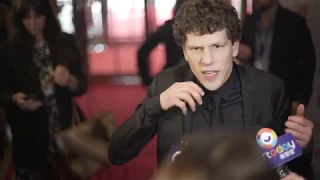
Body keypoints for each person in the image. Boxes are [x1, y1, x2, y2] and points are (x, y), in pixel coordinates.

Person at [108, 0, 314, 179]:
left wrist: (301, 145)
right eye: (196, 49)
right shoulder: (165, 84)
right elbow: (117, 154)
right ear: (185, 52)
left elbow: (282, 166)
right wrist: (156, 105)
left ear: (234, 47)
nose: (206, 60)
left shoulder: (269, 89)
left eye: (217, 47)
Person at [0, 0, 87, 179]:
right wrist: (15, 99)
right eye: (27, 18)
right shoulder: (9, 49)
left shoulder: (65, 42)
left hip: (64, 127)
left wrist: (70, 80)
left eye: (38, 17)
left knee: (68, 172)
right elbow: (3, 91)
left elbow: (82, 85)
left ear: (48, 16)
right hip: (28, 132)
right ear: (20, 19)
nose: (33, 24)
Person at [239, 0, 316, 114]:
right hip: (253, 95)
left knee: (281, 131)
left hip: (283, 96)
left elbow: (308, 64)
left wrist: (299, 99)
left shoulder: (294, 22)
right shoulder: (250, 21)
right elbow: (245, 54)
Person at [137, 0, 185, 86]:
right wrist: (147, 81)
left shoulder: (168, 27)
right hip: (174, 79)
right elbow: (142, 52)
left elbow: (142, 52)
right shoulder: (169, 28)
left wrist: (147, 81)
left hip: (170, 78)